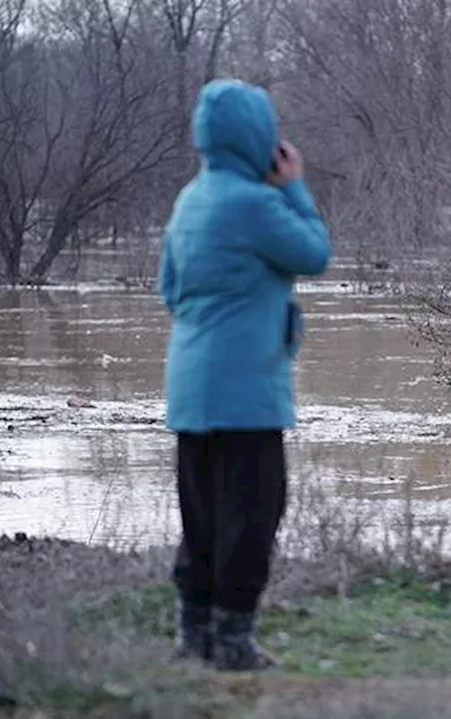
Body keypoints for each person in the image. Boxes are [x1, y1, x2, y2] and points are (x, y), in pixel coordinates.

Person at [157, 78, 331, 671]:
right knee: (254, 514)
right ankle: (233, 642)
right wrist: (296, 187)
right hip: (247, 392)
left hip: (189, 387)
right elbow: (313, 253)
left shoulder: (190, 199)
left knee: (201, 514)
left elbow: (170, 290)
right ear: (259, 136)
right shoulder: (256, 203)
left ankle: (194, 635)